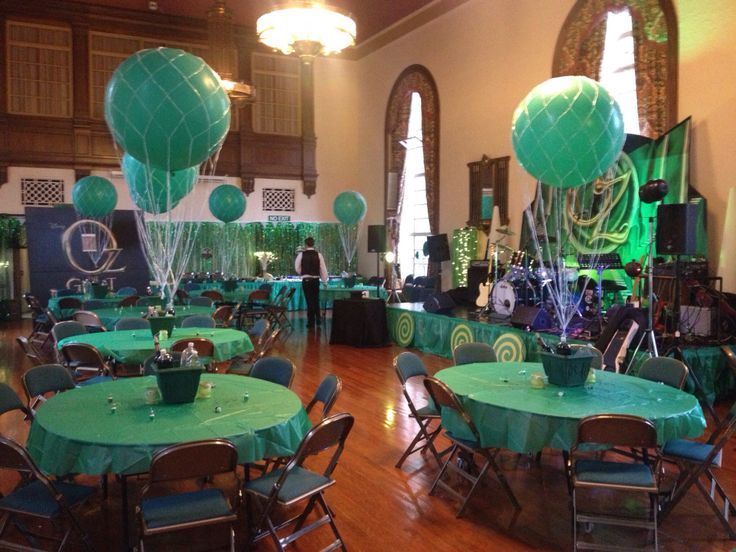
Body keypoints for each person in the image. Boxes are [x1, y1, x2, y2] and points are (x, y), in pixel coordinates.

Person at [294, 237, 328, 328]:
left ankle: (310, 322)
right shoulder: (319, 255)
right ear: (313, 244)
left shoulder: (301, 255)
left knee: (309, 301)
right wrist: (325, 281)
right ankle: (318, 320)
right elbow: (323, 269)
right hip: (316, 280)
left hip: (306, 280)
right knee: (316, 300)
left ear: (305, 244)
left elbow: (297, 267)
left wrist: (303, 272)